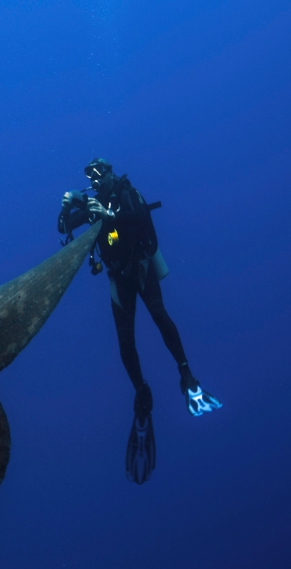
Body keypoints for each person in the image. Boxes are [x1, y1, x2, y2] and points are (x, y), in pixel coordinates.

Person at [58, 158, 221, 484]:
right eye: (90, 176)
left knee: (160, 315)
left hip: (141, 269)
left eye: (99, 173)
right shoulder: (93, 206)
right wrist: (66, 207)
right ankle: (141, 391)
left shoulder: (127, 194)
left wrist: (111, 217)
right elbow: (64, 229)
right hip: (118, 278)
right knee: (125, 339)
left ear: (110, 173)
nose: (95, 180)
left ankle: (186, 375)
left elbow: (142, 218)